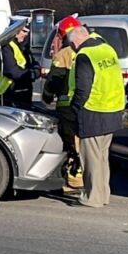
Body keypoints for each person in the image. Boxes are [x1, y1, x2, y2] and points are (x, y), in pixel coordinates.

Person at [67, 24, 125, 208]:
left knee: (90, 159)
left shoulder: (85, 56)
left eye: (72, 45)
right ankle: (103, 195)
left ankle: (92, 198)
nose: (73, 49)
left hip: (93, 111)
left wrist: (75, 108)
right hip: (113, 109)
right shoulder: (107, 49)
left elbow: (83, 88)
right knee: (101, 157)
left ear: (77, 40)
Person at [41, 15, 83, 196]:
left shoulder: (63, 55)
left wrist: (47, 98)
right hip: (90, 107)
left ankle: (74, 182)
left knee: (71, 144)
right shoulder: (89, 50)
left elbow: (54, 81)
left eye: (58, 36)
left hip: (68, 108)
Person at [0, 24, 37, 109]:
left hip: (21, 91)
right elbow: (11, 71)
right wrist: (33, 73)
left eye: (27, 32)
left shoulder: (21, 46)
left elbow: (31, 62)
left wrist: (37, 68)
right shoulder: (5, 46)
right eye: (24, 31)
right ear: (15, 31)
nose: (26, 34)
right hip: (8, 92)